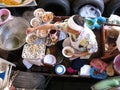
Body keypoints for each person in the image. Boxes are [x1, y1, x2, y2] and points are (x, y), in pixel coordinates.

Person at [26, 15, 98, 71]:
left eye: (69, 28)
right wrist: (34, 29)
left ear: (77, 31)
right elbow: (51, 26)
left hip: (81, 51)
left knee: (75, 66)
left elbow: (92, 51)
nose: (66, 28)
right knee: (59, 44)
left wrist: (77, 55)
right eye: (68, 26)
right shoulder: (68, 26)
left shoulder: (89, 38)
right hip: (72, 42)